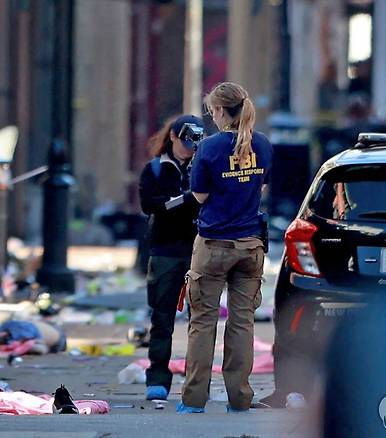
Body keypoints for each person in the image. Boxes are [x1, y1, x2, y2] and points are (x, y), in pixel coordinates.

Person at [176, 82, 273, 413]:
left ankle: (193, 400)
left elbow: (200, 196)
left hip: (214, 243)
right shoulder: (262, 144)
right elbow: (261, 189)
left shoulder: (210, 148)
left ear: (219, 111)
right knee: (242, 321)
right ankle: (240, 398)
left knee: (203, 322)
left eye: (212, 111)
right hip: (250, 244)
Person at [138, 114, 205, 401]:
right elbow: (149, 205)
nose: (191, 149)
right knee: (162, 316)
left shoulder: (203, 166)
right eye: (186, 142)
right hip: (165, 249)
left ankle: (195, 381)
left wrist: (176, 203)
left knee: (200, 318)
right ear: (174, 137)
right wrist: (187, 199)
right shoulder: (155, 169)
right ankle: (158, 377)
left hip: (199, 248)